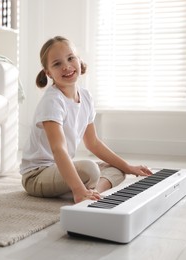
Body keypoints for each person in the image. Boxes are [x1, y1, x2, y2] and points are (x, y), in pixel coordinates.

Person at [20, 36, 152, 203]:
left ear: (79, 60)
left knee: (117, 169)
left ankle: (93, 193)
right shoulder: (52, 101)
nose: (66, 66)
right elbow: (58, 149)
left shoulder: (86, 97)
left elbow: (93, 143)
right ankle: (80, 190)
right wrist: (77, 188)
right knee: (90, 170)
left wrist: (129, 167)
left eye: (70, 58)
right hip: (37, 175)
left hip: (60, 169)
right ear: (48, 73)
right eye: (57, 64)